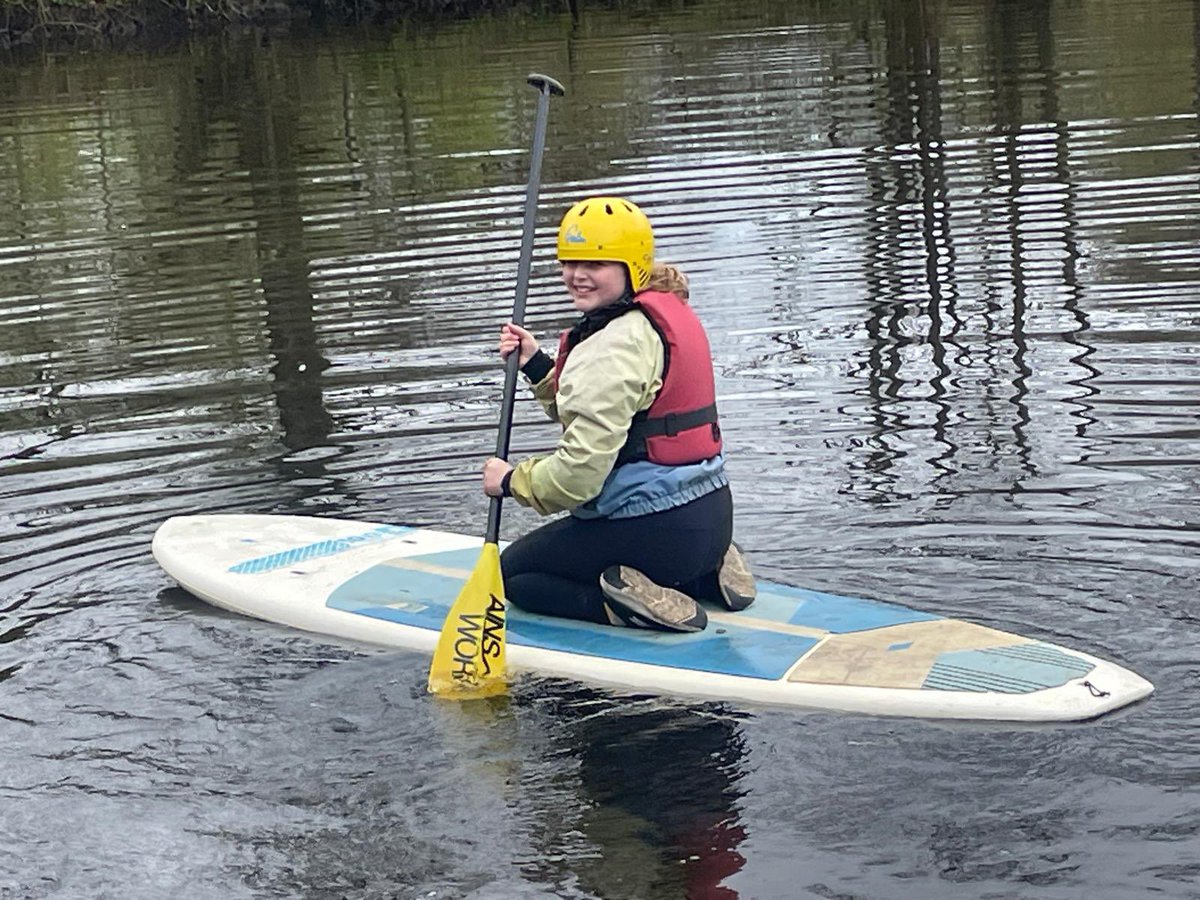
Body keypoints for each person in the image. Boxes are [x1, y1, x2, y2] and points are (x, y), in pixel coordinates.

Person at [481, 196, 755, 633]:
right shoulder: (662, 315)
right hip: (713, 518)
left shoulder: (615, 343)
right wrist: (536, 363)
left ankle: (622, 607)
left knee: (515, 575)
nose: (576, 275)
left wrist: (512, 481)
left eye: (595, 263)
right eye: (569, 262)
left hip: (657, 534)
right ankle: (708, 574)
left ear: (630, 267)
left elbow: (578, 477)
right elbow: (614, 413)